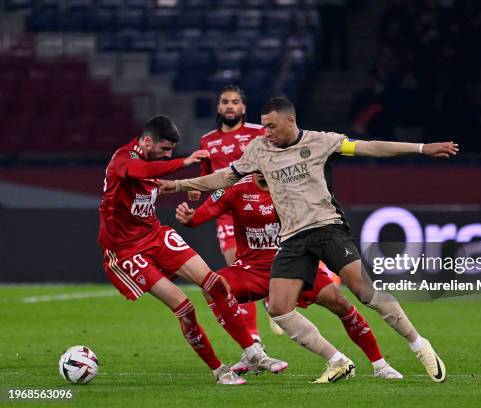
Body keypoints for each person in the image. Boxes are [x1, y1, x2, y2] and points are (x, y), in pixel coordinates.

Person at [159, 97, 459, 383]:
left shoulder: (321, 141)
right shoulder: (259, 149)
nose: (267, 132)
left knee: (364, 292)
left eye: (272, 126)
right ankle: (338, 360)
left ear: (291, 120)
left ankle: (419, 344)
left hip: (327, 228)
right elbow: (224, 177)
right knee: (278, 308)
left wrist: (421, 148)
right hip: (292, 238)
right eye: (263, 126)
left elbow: (371, 147)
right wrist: (177, 185)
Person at [98, 115, 287, 385]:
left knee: (215, 284)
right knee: (184, 307)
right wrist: (183, 163)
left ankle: (253, 353)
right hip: (126, 250)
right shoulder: (124, 158)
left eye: (172, 151)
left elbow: (148, 186)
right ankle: (220, 371)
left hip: (154, 234)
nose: (168, 155)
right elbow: (139, 172)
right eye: (165, 150)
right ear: (147, 141)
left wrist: (186, 188)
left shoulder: (151, 164)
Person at [175, 173, 403, 382]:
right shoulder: (236, 190)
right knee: (214, 286)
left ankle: (380, 365)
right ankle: (253, 351)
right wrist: (189, 217)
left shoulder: (294, 188)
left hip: (294, 264)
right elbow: (200, 216)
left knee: (340, 303)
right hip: (251, 269)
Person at [189, 85, 282, 340]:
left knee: (269, 265)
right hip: (228, 211)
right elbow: (207, 175)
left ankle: (274, 302)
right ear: (218, 108)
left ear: (243, 107)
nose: (230, 106)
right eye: (225, 102)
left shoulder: (258, 133)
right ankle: (253, 335)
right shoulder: (207, 140)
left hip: (258, 207)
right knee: (238, 268)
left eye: (235, 102)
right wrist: (197, 190)